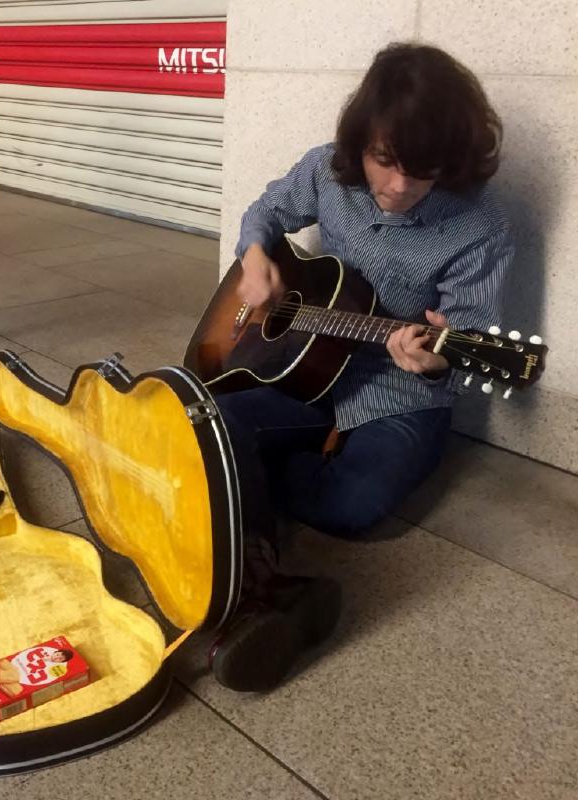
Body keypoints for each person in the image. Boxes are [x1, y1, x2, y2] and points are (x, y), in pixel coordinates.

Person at [209, 42, 514, 692]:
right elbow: (266, 211)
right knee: (211, 415)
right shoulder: (327, 170)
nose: (399, 185)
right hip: (300, 367)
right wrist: (255, 257)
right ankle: (262, 584)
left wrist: (435, 358)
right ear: (361, 142)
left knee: (353, 506)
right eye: (384, 160)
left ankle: (243, 485)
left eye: (423, 171)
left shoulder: (481, 226)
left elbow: (465, 340)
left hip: (398, 389)